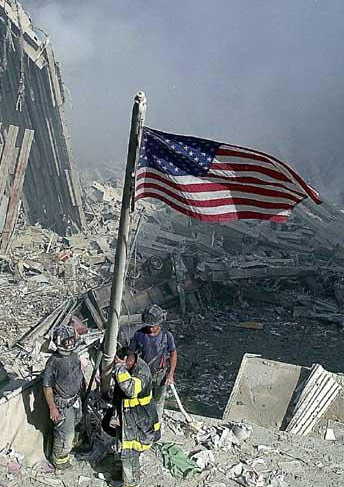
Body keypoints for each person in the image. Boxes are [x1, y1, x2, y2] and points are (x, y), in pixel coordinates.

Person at [110, 348, 161, 487]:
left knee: (130, 453)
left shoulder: (142, 372)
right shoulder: (131, 366)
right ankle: (121, 473)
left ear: (129, 359)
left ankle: (131, 483)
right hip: (128, 417)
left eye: (123, 362)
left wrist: (120, 368)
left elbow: (131, 390)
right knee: (123, 448)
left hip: (140, 421)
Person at [43, 322, 85, 469]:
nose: (69, 343)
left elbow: (79, 374)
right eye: (66, 341)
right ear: (59, 342)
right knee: (65, 435)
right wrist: (52, 408)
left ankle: (68, 450)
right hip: (62, 404)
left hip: (76, 400)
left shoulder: (74, 355)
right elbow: (47, 387)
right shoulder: (53, 362)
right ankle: (59, 460)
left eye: (71, 340)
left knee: (75, 426)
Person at [128, 304, 177, 421]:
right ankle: (143, 422)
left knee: (158, 402)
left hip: (160, 375)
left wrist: (170, 374)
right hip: (143, 375)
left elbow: (173, 354)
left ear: (159, 323)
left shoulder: (167, 336)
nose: (150, 328)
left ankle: (156, 424)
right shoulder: (139, 335)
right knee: (142, 400)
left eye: (153, 326)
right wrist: (127, 366)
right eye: (148, 325)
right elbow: (131, 353)